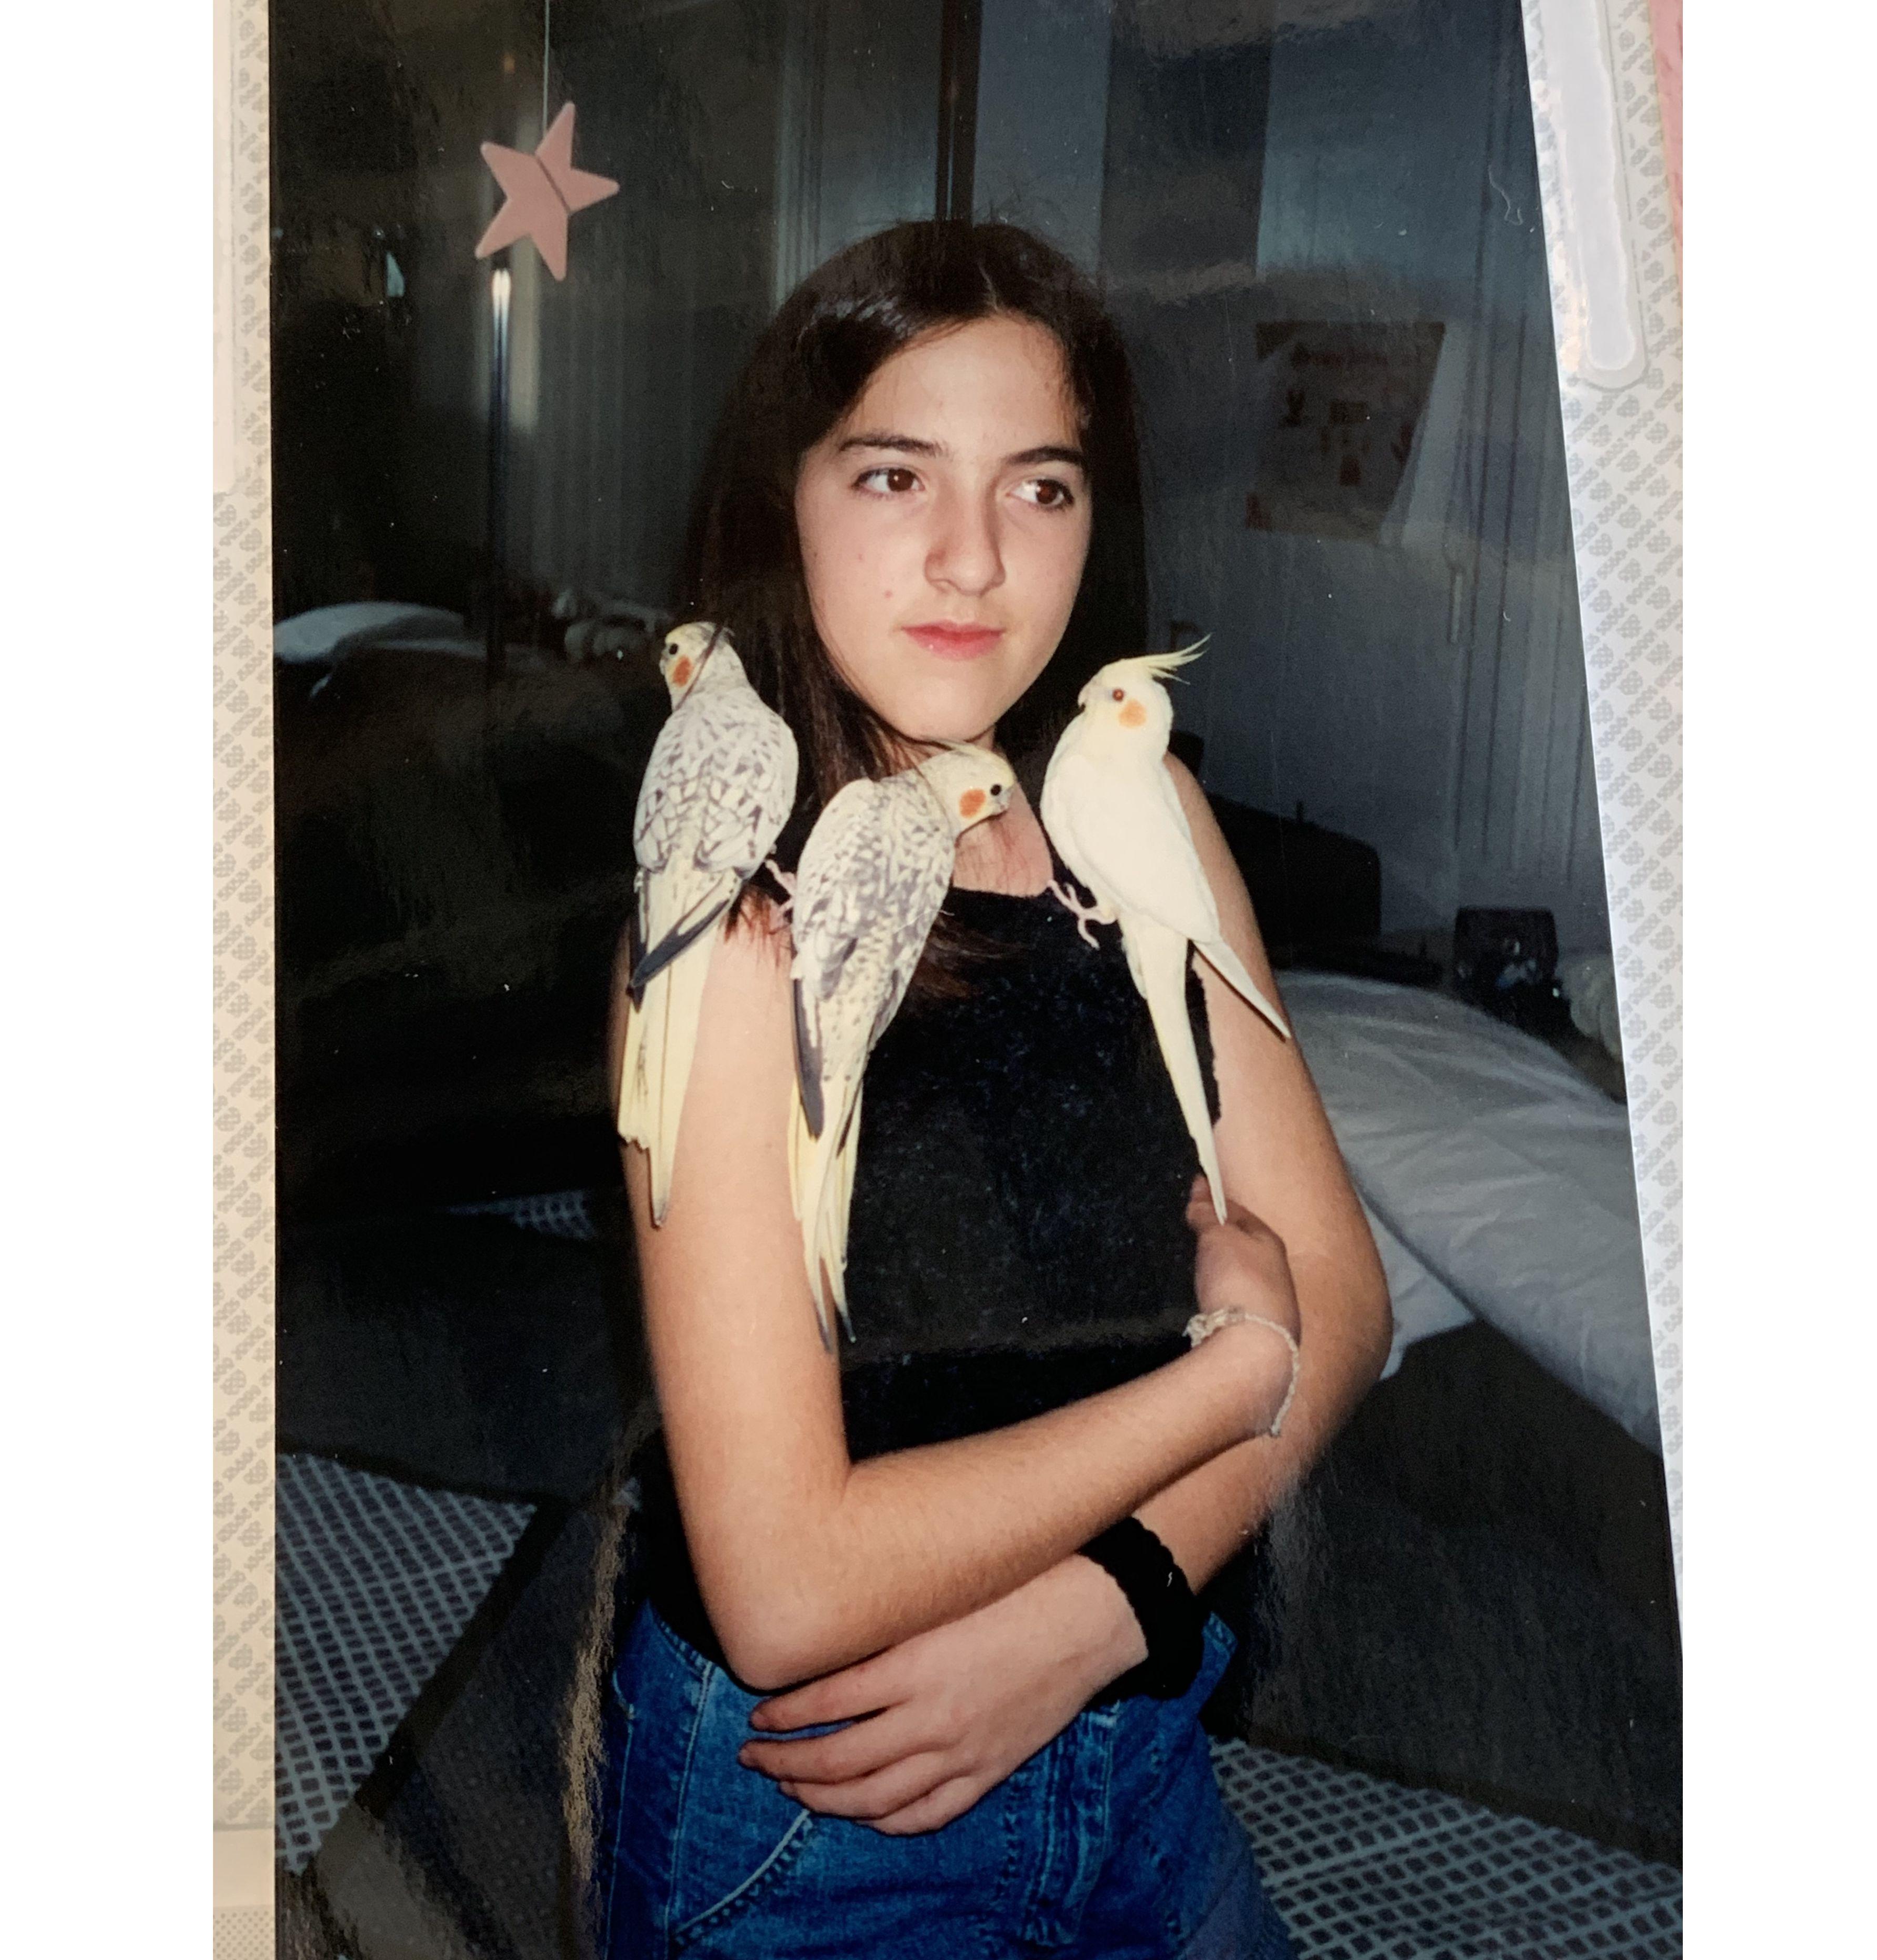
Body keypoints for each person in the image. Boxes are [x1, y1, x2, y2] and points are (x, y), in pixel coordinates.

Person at [590, 219, 1391, 1959]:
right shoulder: (739, 917)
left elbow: (1354, 1291)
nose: (971, 560)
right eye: (893, 475)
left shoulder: (1137, 814)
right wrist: (1233, 1377)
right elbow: (788, 1586)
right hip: (828, 1825)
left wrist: (1107, 1611)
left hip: (1146, 1732)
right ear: (779, 502)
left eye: (1040, 489)